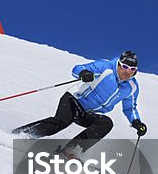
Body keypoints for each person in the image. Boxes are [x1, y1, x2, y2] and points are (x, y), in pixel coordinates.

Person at [13, 51, 148, 142]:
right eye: (125, 66)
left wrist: (136, 122)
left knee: (105, 123)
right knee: (61, 122)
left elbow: (130, 108)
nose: (127, 72)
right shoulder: (105, 67)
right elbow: (77, 68)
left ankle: (71, 151)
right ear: (118, 63)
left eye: (132, 69)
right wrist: (83, 73)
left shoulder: (131, 87)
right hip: (73, 100)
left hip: (87, 113)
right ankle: (21, 135)